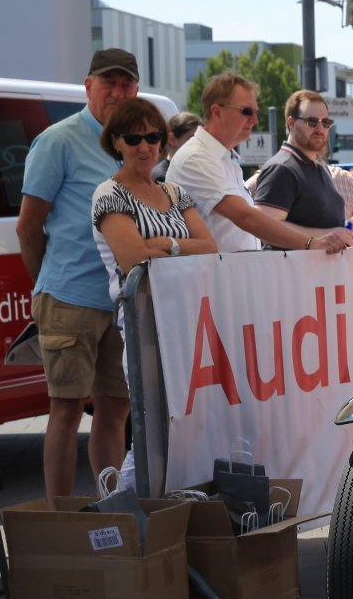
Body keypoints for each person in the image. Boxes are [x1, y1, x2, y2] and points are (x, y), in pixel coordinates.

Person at [17, 48, 138, 501]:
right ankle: (61, 517)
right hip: (71, 297)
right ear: (88, 86)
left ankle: (112, 508)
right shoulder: (58, 140)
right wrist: (47, 285)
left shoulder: (136, 143)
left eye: (126, 84)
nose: (117, 92)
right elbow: (28, 226)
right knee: (66, 411)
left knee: (116, 410)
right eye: (108, 83)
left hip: (122, 302)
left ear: (137, 90)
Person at [91, 98, 219, 493]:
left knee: (189, 424)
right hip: (143, 324)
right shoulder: (109, 194)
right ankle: (122, 511)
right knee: (152, 428)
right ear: (116, 142)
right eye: (133, 138)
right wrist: (181, 248)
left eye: (152, 137)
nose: (144, 146)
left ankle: (162, 512)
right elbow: (133, 260)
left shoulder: (174, 192)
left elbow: (210, 247)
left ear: (163, 141)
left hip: (188, 319)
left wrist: (165, 244)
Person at [167, 71, 353, 255]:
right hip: (207, 275)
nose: (255, 120)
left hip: (228, 273)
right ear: (217, 112)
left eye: (326, 122)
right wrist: (310, 243)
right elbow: (245, 217)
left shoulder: (224, 158)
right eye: (246, 111)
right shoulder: (196, 158)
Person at [251, 90, 353, 246]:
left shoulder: (318, 166)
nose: (320, 129)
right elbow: (264, 228)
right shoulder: (282, 168)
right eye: (312, 122)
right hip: (293, 263)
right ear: (291, 123)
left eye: (326, 123)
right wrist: (322, 237)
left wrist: (351, 248)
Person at [155, 111, 201, 182]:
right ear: (172, 140)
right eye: (192, 139)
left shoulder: (196, 174)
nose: (199, 145)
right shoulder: (161, 178)